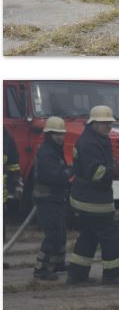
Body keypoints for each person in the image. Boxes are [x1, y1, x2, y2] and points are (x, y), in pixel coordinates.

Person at [67, 106, 119, 286]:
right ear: (93, 123)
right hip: (91, 199)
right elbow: (96, 173)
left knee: (89, 235)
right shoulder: (88, 143)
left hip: (93, 197)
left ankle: (76, 275)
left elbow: (106, 164)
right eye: (104, 124)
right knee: (110, 235)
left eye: (110, 124)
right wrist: (116, 170)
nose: (108, 127)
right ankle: (114, 275)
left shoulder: (100, 139)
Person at [32, 117, 72, 281]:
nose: (59, 137)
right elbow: (54, 176)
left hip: (56, 197)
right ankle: (41, 269)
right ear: (48, 134)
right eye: (55, 134)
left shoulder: (55, 150)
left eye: (61, 134)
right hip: (46, 198)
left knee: (61, 234)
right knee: (53, 235)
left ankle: (57, 264)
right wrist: (72, 172)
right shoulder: (46, 152)